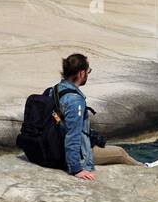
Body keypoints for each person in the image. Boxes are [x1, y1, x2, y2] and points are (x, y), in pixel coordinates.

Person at [56, 52, 144, 180]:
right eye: (88, 71)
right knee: (120, 153)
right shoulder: (75, 101)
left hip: (55, 145)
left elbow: (59, 121)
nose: (87, 74)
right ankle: (145, 169)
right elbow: (72, 136)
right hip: (73, 154)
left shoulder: (54, 90)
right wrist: (76, 169)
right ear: (81, 73)